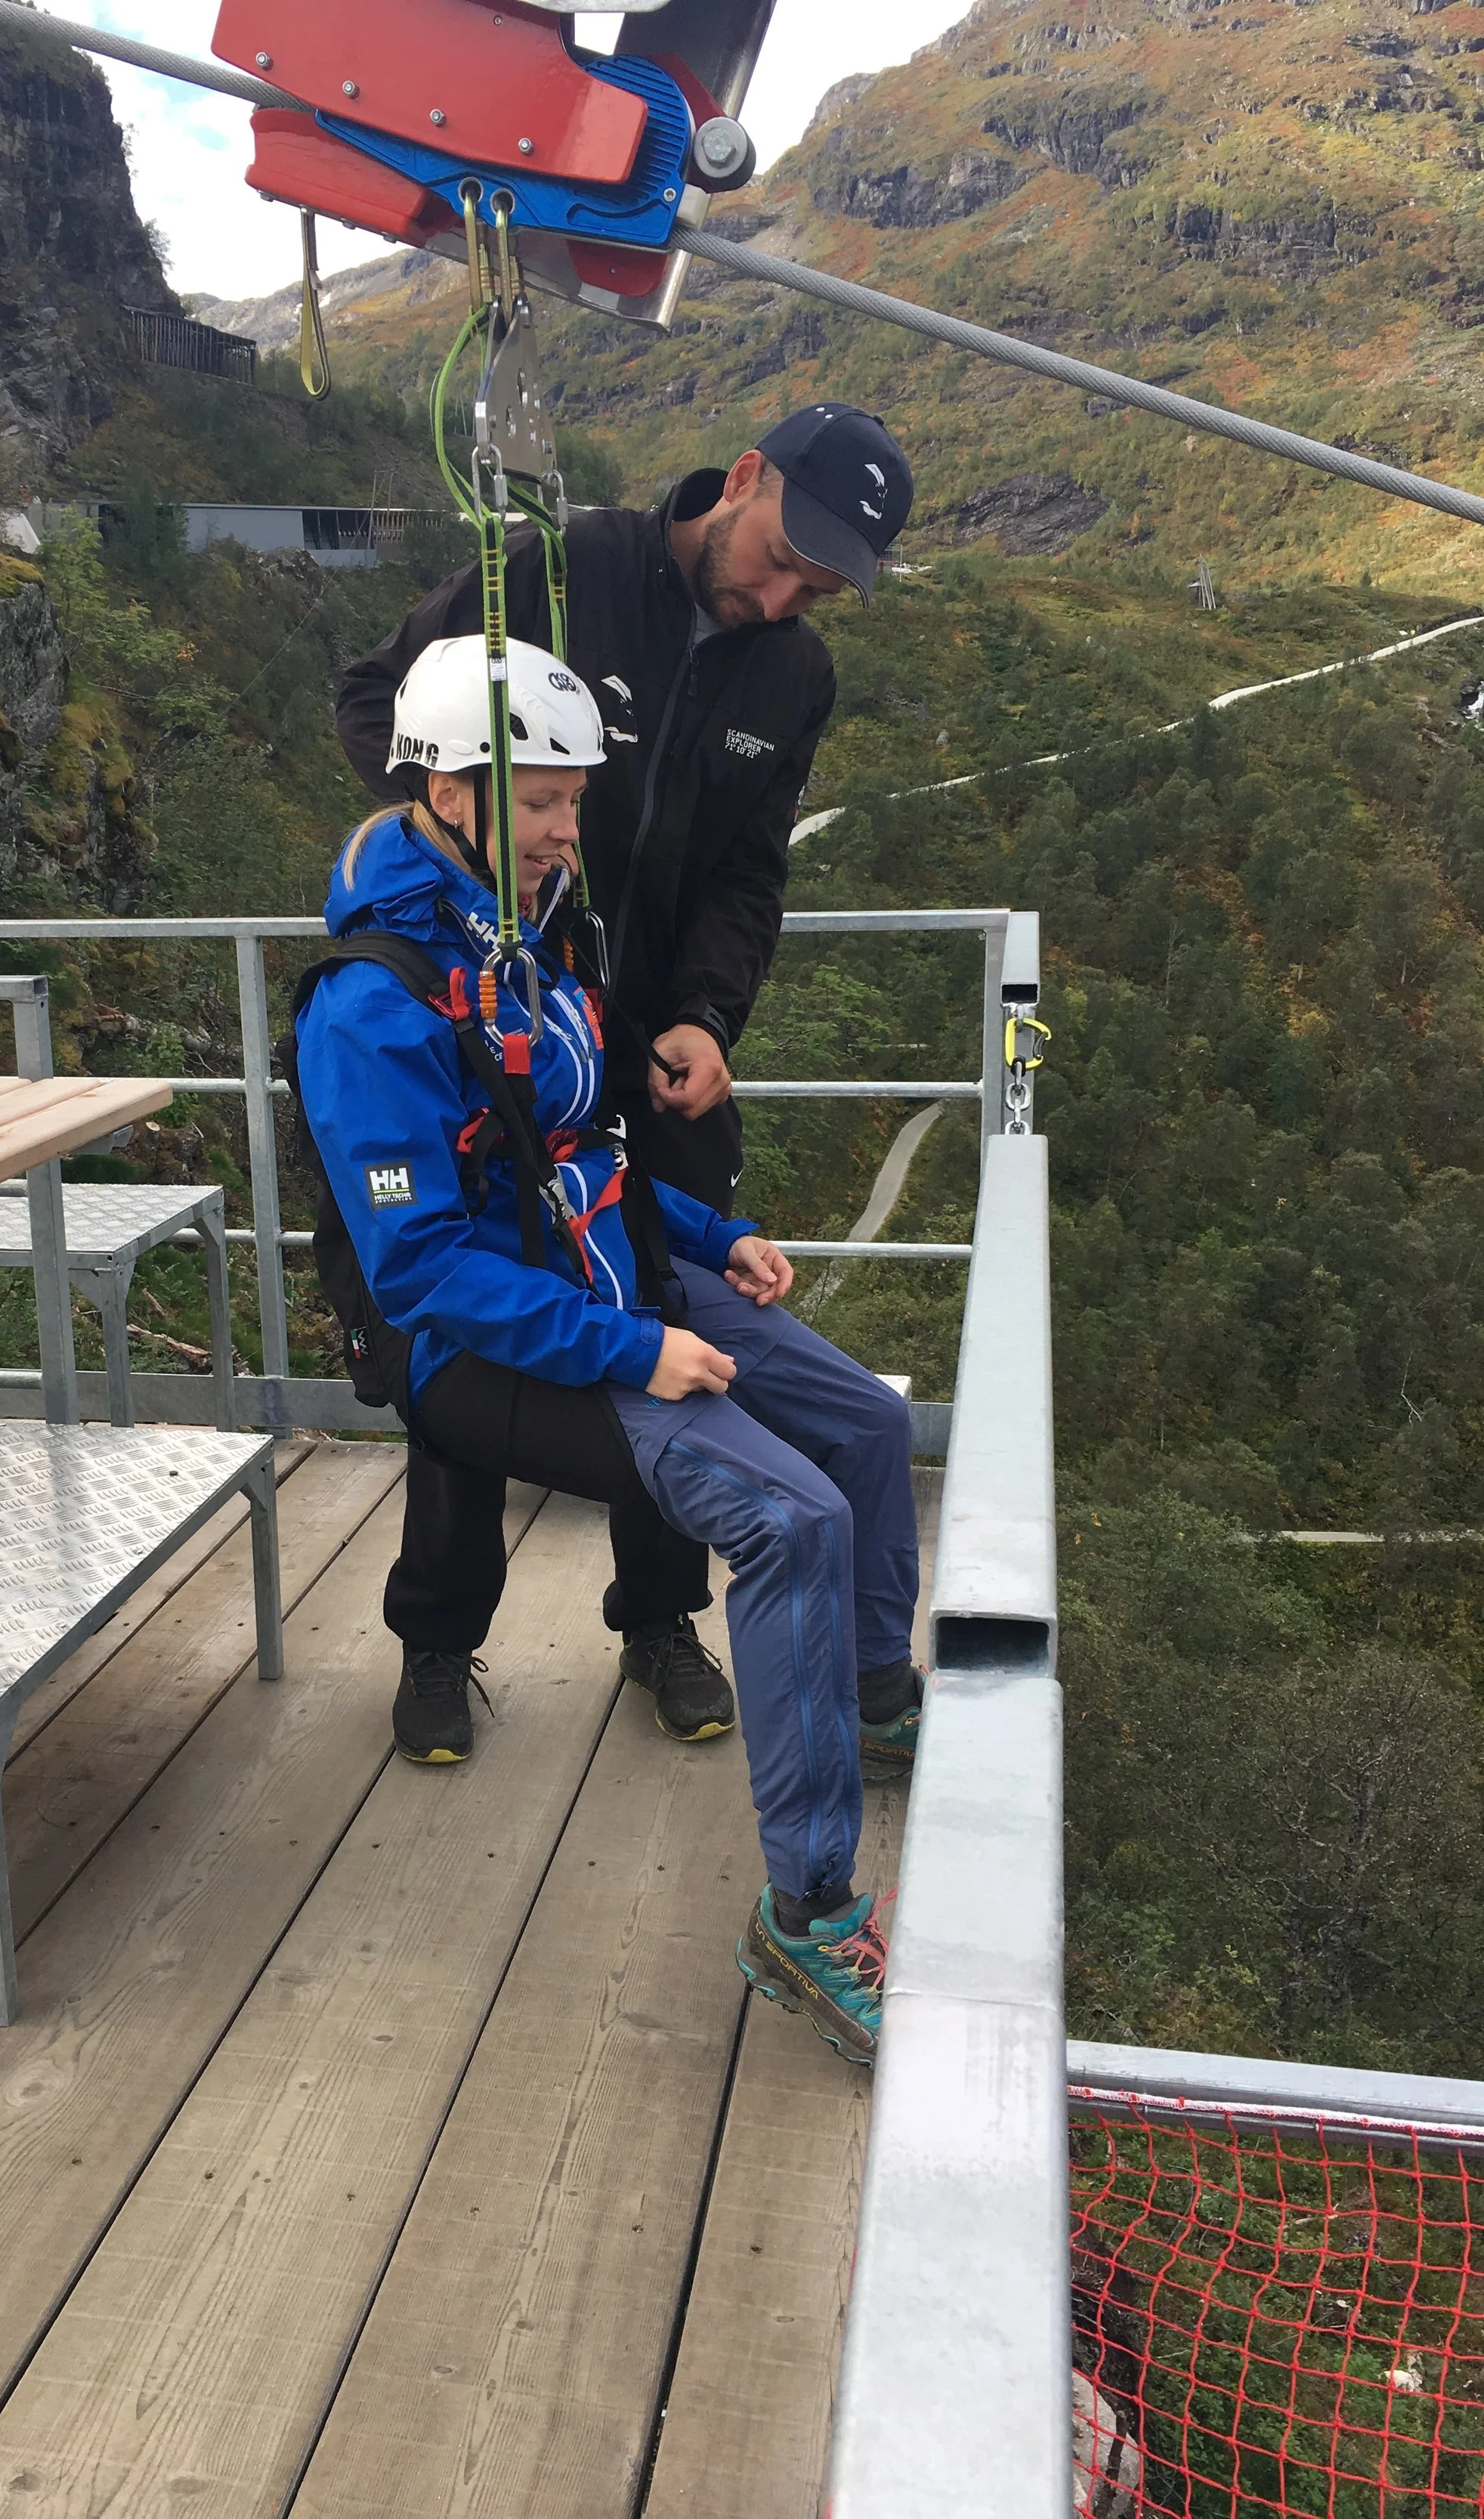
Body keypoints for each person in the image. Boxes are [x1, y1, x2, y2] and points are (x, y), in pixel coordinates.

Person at [294, 636, 922, 2065]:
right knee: (788, 1516)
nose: (572, 831)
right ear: (449, 788)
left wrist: (712, 1233)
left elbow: (581, 1145)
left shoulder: (536, 931)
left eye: (576, 799)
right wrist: (635, 1350)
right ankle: (808, 1916)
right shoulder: (375, 1000)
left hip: (610, 1276)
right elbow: (426, 1266)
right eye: (541, 803)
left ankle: (873, 1700)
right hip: (491, 1344)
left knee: (870, 1432)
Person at [337, 403, 918, 1759]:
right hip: (500, 1005)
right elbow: (381, 696)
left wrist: (711, 1018)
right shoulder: (563, 567)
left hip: (645, 1053)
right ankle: (438, 1639)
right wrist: (462, 850)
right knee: (488, 1290)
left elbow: (751, 871)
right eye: (780, 558)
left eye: (817, 589)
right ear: (746, 478)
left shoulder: (794, 675)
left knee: (664, 1308)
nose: (782, 597)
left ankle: (660, 1622)